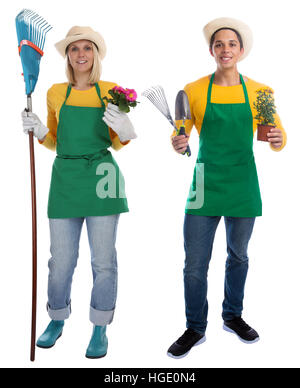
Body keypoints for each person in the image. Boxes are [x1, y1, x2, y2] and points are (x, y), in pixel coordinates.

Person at [167, 17, 287, 359]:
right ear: (211, 50)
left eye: (231, 44)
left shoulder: (261, 92)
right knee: (194, 263)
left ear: (241, 50)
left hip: (243, 182)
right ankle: (195, 327)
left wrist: (279, 140)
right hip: (204, 181)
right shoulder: (192, 90)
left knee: (238, 256)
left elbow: (275, 136)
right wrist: (176, 142)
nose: (225, 50)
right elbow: (180, 133)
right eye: (219, 44)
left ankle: (232, 316)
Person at [21, 26, 137, 359]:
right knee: (61, 261)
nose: (81, 54)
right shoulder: (57, 93)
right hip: (66, 179)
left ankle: (100, 327)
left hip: (104, 178)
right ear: (68, 55)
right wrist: (40, 130)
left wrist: (126, 131)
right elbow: (56, 141)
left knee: (103, 262)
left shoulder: (112, 92)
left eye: (88, 48)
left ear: (96, 55)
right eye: (74, 49)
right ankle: (56, 319)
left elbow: (117, 142)